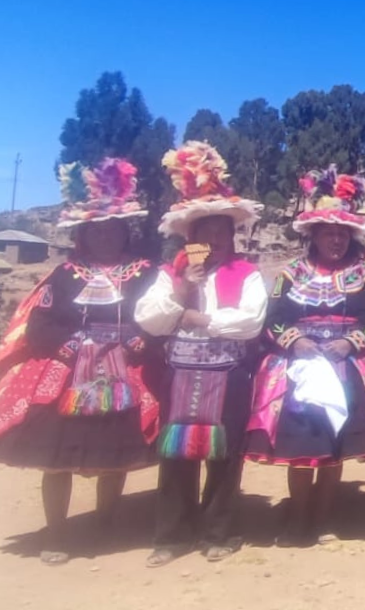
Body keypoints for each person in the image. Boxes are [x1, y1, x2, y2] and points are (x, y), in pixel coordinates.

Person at [0, 158, 161, 566]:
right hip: (67, 372)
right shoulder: (64, 275)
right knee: (55, 455)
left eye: (111, 229)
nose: (104, 237)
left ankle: (107, 521)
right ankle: (57, 532)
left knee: (116, 451)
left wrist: (139, 340)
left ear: (123, 231)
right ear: (83, 233)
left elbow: (157, 316)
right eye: (95, 231)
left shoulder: (144, 274)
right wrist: (65, 345)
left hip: (123, 369)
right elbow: (38, 325)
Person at [243, 169, 365, 545]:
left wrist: (350, 343)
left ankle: (322, 515)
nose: (335, 240)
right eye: (327, 232)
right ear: (313, 235)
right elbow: (273, 319)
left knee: (334, 447)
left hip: (347, 368)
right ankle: (298, 517)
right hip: (298, 369)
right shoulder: (290, 275)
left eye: (341, 233)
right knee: (302, 446)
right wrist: (294, 341)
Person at [136, 142, 269, 566]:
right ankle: (172, 535)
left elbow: (250, 322)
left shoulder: (247, 274)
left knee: (224, 454)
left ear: (231, 235)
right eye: (207, 231)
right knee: (175, 453)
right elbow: (149, 319)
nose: (216, 238)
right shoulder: (169, 275)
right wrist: (181, 292)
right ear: (192, 236)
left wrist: (200, 320)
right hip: (179, 376)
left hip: (228, 376)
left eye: (222, 231)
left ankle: (218, 531)